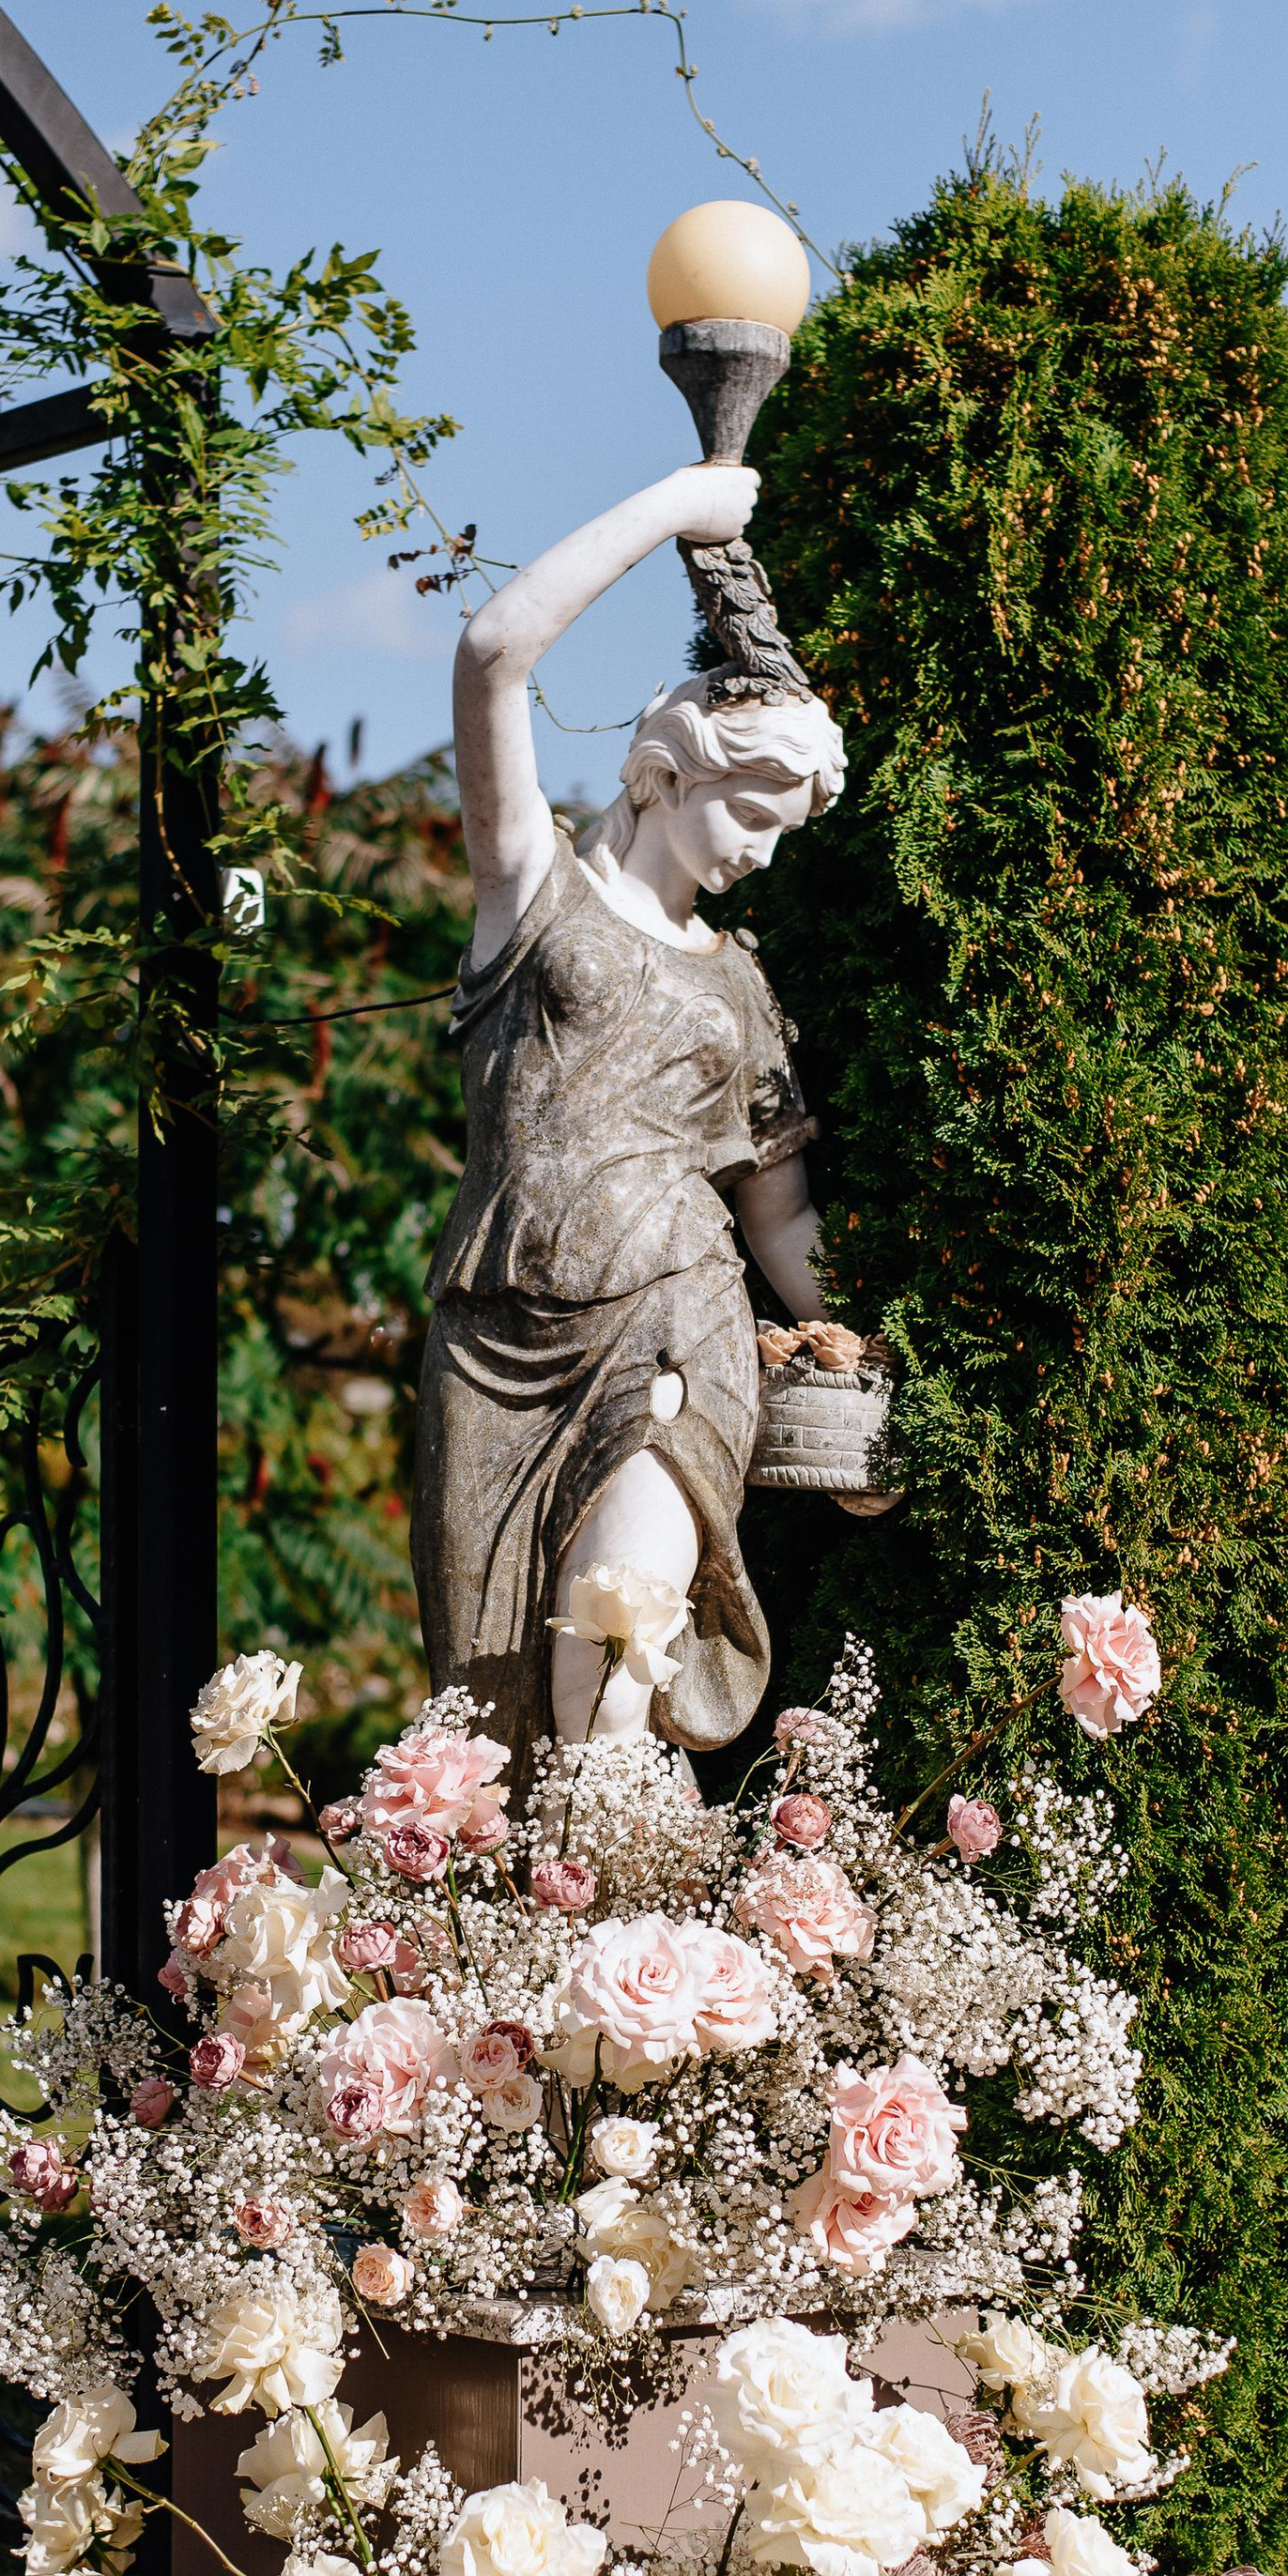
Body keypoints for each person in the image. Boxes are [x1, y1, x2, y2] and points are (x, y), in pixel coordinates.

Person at [412, 461, 848, 1756]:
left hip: (670, 1329)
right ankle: (528, 1958)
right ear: (667, 770)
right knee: (482, 1735)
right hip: (491, 1341)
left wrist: (856, 1362)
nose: (764, 850)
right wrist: (682, 505)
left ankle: (634, 1953)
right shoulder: (531, 890)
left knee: (609, 1675)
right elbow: (491, 651)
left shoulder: (743, 989)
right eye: (752, 812)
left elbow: (780, 1222)